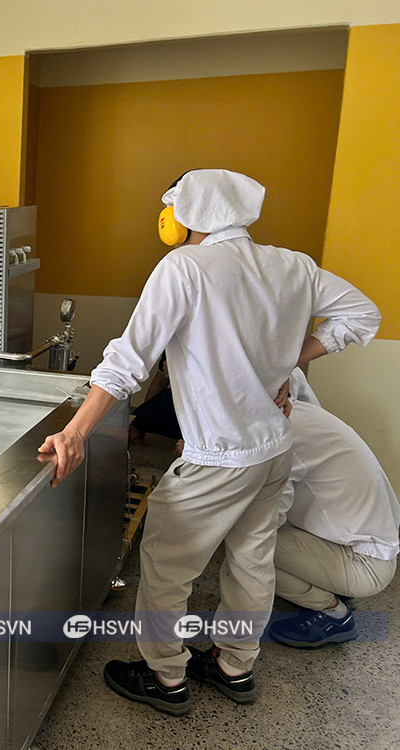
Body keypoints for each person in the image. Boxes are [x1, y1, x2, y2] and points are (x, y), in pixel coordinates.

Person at [38, 169, 380, 716]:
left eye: (170, 204)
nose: (166, 216)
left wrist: (75, 431)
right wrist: (289, 365)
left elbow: (129, 360)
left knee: (167, 566)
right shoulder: (292, 265)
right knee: (252, 559)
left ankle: (165, 676)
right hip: (274, 450)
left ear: (188, 211)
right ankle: (234, 665)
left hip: (218, 456)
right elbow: (363, 313)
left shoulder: (185, 267)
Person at [267, 371, 399, 647]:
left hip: (365, 564)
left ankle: (333, 614)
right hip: (367, 547)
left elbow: (269, 519)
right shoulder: (301, 412)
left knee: (247, 550)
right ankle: (330, 584)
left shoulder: (281, 434)